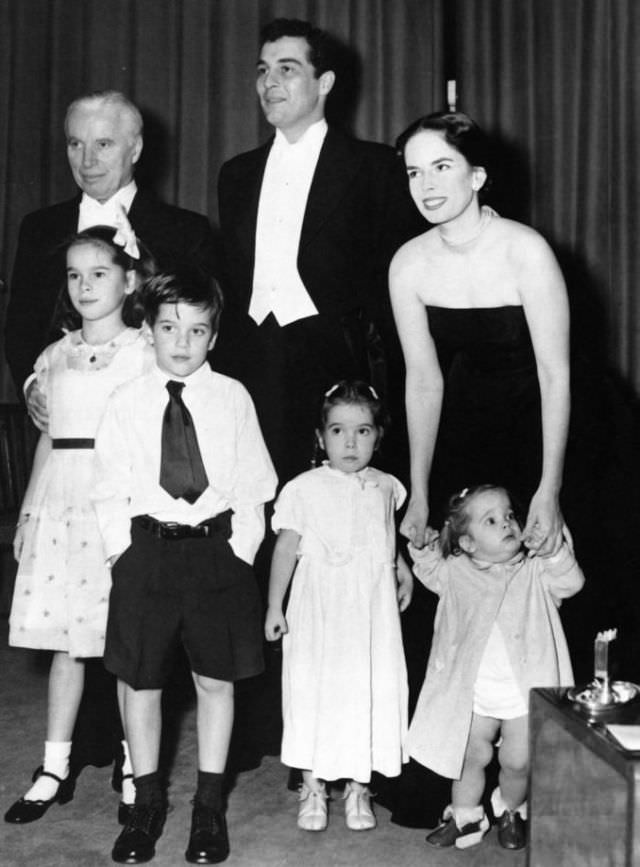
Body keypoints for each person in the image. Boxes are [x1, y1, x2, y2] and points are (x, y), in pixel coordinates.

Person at [382, 109, 572, 828]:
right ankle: (447, 778)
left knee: (550, 588)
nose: (426, 185)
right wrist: (422, 490)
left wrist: (549, 487)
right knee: (447, 592)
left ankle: (547, 785)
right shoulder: (409, 262)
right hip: (463, 427)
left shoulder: (524, 250)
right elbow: (423, 381)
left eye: (441, 167)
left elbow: (557, 376)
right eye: (413, 171)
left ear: (477, 175)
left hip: (541, 431)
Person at [92, 271, 277, 864]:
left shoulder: (233, 398)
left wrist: (238, 551)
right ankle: (146, 804)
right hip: (146, 553)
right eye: (169, 327)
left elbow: (255, 487)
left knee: (216, 681)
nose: (182, 341)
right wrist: (123, 557)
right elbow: (106, 491)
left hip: (214, 553)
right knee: (140, 680)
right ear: (148, 332)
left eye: (197, 330)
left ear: (213, 338)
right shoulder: (125, 402)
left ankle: (209, 807)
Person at [216, 17, 423, 485]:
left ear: (324, 82)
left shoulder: (374, 168)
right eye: (262, 70)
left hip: (340, 363)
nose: (269, 83)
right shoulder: (235, 174)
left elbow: (394, 285)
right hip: (252, 364)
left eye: (286, 69)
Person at [4, 223, 155, 826]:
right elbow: (47, 437)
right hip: (59, 501)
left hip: (114, 502)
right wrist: (27, 511)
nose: (85, 285)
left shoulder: (145, 350)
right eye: (74, 274)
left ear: (129, 280)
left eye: (99, 273)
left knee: (122, 641)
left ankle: (129, 761)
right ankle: (53, 765)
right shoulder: (54, 355)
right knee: (67, 642)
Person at [5, 89, 217, 424]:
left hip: (150, 420)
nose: (87, 161)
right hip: (63, 416)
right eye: (76, 144)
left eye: (103, 145)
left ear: (135, 149)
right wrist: (32, 385)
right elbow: (21, 326)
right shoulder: (39, 229)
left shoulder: (186, 232)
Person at [265, 380, 413, 832]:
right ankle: (312, 785)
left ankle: (358, 786)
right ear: (320, 437)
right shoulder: (303, 487)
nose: (350, 442)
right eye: (338, 430)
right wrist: (274, 606)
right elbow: (286, 549)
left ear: (378, 436)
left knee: (367, 689)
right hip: (319, 611)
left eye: (363, 431)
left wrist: (402, 566)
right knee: (316, 691)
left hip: (371, 611)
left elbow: (385, 534)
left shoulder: (387, 486)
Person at [406, 485, 584, 851]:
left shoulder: (535, 569)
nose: (506, 523)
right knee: (471, 755)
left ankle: (512, 810)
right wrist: (421, 542)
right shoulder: (454, 572)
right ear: (468, 543)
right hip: (474, 694)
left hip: (523, 694)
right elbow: (426, 566)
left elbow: (571, 582)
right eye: (491, 520)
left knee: (518, 761)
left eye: (508, 515)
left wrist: (554, 553)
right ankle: (466, 815)